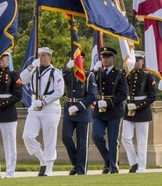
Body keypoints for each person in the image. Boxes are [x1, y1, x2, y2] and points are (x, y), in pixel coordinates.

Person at [23, 46, 64, 177]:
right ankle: (43, 161)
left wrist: (44, 101)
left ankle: (49, 168)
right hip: (35, 106)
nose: (41, 58)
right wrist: (30, 67)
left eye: (44, 55)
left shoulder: (55, 72)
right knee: (27, 136)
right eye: (40, 55)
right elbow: (21, 79)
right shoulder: (34, 71)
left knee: (49, 139)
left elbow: (59, 92)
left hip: (50, 108)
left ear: (50, 57)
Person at [92, 46, 128, 174]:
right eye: (103, 57)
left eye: (107, 57)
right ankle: (108, 159)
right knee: (96, 136)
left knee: (113, 141)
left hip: (114, 111)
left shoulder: (119, 74)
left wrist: (107, 102)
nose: (105, 59)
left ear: (113, 58)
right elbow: (85, 84)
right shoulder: (98, 73)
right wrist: (93, 71)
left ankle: (113, 167)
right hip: (99, 112)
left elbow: (123, 94)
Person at [120, 51, 156, 173]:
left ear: (142, 61)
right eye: (133, 60)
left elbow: (152, 96)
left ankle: (141, 167)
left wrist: (137, 106)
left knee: (142, 140)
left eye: (137, 60)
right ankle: (134, 162)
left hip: (142, 110)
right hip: (129, 108)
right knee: (125, 137)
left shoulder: (148, 76)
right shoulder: (127, 75)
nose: (135, 63)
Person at [60, 54, 96, 176]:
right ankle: (76, 163)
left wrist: (79, 106)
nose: (75, 62)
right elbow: (59, 79)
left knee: (82, 142)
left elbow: (92, 96)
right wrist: (66, 67)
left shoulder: (88, 76)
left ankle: (81, 170)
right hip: (69, 110)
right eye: (73, 59)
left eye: (78, 59)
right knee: (66, 137)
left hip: (82, 112)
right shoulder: (69, 75)